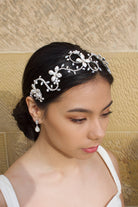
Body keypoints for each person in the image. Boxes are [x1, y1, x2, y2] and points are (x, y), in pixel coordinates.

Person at [0, 42, 124, 207]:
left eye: (105, 113)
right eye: (78, 119)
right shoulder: (8, 197)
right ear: (36, 109)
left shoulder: (107, 162)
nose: (99, 133)